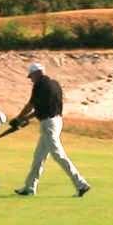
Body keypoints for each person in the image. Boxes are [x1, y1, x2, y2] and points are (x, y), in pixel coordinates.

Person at [7, 61, 90, 197]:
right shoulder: (54, 84)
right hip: (55, 121)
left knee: (58, 155)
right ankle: (29, 187)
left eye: (31, 76)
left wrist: (19, 118)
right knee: (38, 157)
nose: (31, 79)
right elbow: (42, 108)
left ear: (37, 74)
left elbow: (31, 105)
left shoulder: (39, 85)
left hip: (49, 124)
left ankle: (81, 184)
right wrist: (25, 118)